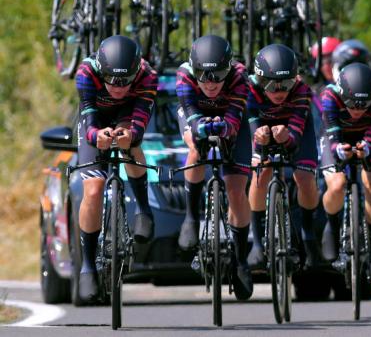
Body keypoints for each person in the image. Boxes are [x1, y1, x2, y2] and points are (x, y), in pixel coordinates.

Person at [75, 35, 158, 301]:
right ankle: (88, 266)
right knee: (93, 188)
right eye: (111, 79)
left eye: (125, 80)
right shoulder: (86, 72)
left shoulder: (147, 75)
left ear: (136, 72)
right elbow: (88, 117)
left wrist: (130, 134)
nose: (118, 86)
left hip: (128, 115)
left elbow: (142, 119)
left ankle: (144, 210)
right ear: (101, 70)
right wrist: (95, 136)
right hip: (96, 119)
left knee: (131, 145)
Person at [175, 34, 253, 300]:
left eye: (218, 75)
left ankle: (241, 260)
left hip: (233, 120)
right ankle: (191, 217)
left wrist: (226, 128)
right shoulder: (184, 76)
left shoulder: (241, 76)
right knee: (196, 149)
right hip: (196, 115)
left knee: (236, 190)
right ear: (194, 70)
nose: (210, 83)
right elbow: (190, 112)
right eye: (203, 76)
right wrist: (201, 128)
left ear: (229, 69)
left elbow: (235, 116)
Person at [246, 44, 323, 270]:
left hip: (294, 130)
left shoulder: (302, 91)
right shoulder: (248, 89)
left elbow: (296, 137)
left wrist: (286, 138)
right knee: (260, 175)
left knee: (305, 179)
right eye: (271, 84)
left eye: (286, 84)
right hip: (260, 127)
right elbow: (250, 124)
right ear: (259, 80)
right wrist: (259, 138)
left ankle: (308, 235)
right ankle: (258, 244)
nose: (279, 91)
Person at [320, 63, 371, 279]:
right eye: (352, 105)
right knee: (337, 184)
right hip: (335, 137)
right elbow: (332, 132)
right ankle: (332, 228)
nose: (358, 111)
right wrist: (339, 149)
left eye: (363, 105)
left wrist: (367, 146)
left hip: (367, 138)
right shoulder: (329, 97)